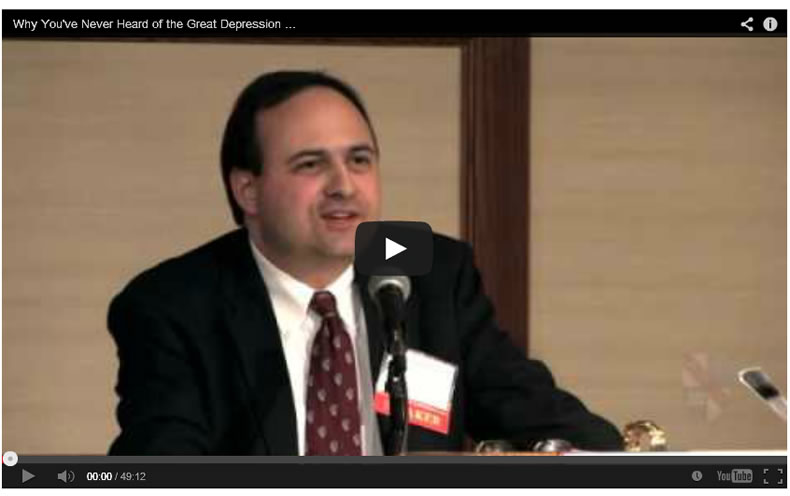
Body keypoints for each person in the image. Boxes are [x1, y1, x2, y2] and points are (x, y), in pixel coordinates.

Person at [107, 70, 623, 455]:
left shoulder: (431, 270)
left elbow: (536, 413)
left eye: (359, 160)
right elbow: (161, 466)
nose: (344, 186)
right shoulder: (174, 304)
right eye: (311, 164)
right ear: (249, 190)